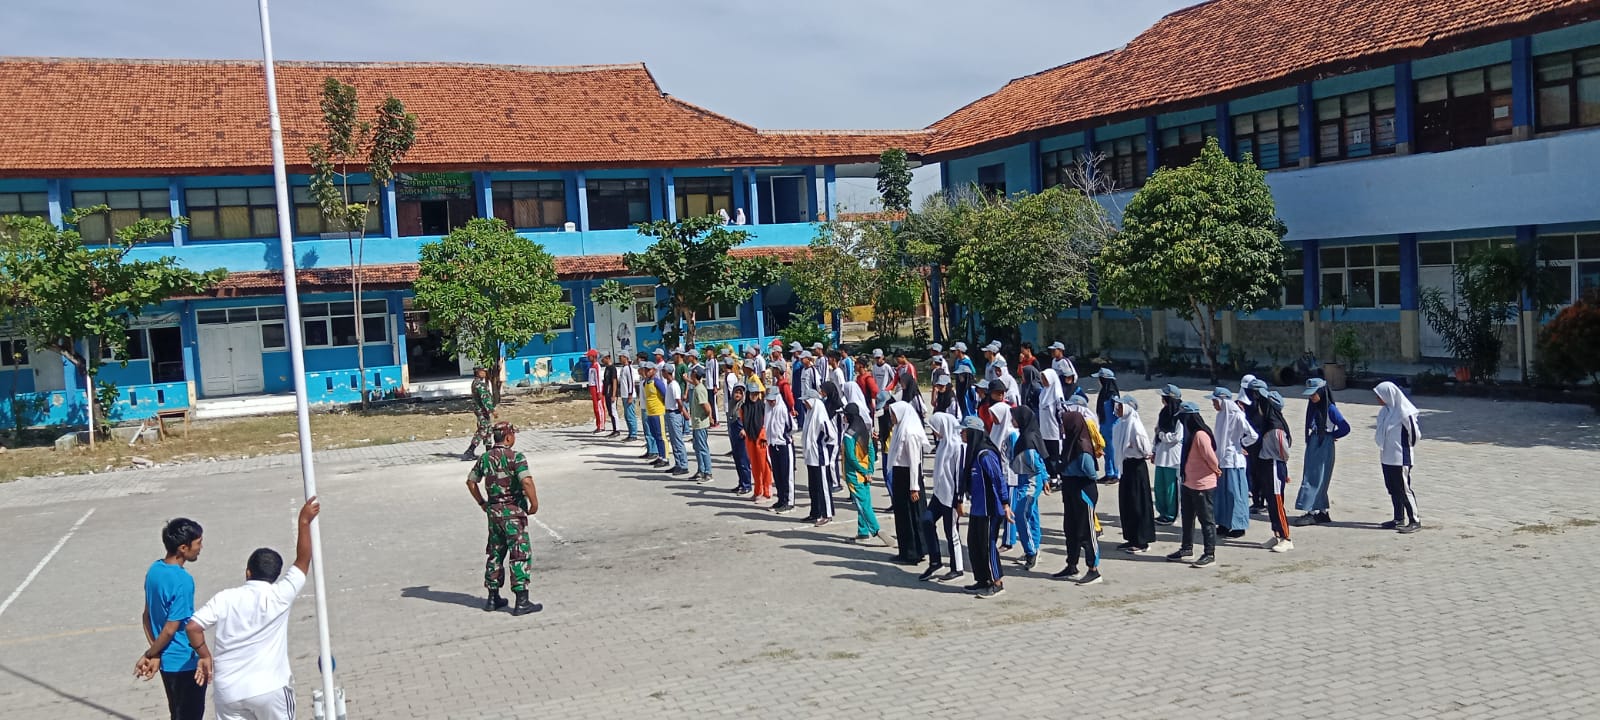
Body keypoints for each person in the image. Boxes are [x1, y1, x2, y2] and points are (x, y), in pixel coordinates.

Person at [184, 498, 322, 720]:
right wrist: (304, 521)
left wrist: (204, 655)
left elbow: (192, 626)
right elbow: (303, 560)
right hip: (271, 689)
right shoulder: (280, 594)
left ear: (248, 572)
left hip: (228, 691)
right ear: (276, 576)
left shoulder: (224, 598)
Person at [464, 422, 542, 615]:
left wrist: (482, 503)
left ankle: (492, 597)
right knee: (519, 554)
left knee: (496, 553)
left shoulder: (485, 458)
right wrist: (534, 503)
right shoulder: (516, 457)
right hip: (513, 512)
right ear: (508, 437)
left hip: (494, 513)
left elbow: (471, 482)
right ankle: (521, 601)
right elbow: (526, 480)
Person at [135, 517, 206, 720]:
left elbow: (146, 617)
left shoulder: (154, 570)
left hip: (167, 663)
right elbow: (170, 628)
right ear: (183, 548)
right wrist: (150, 653)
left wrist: (156, 653)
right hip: (185, 663)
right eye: (198, 543)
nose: (200, 548)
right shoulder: (183, 581)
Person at [1051, 393, 1105, 585]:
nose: (1062, 427)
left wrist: (1070, 470)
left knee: (1086, 531)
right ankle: (1071, 564)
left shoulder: (1082, 447)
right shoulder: (1069, 444)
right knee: (1070, 529)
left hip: (1084, 491)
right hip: (1070, 490)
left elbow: (1091, 473)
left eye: (1065, 424)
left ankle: (1093, 568)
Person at [957, 415, 1012, 598]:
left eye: (964, 431)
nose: (961, 434)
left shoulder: (985, 455)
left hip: (990, 509)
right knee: (974, 544)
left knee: (987, 546)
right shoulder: (973, 453)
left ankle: (996, 582)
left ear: (972, 432)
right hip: (977, 508)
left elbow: (998, 479)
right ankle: (982, 579)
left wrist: (1005, 503)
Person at [1168, 403, 1219, 568]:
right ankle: (1186, 548)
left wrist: (1216, 470)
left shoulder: (1200, 435)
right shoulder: (1190, 435)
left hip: (1203, 484)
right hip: (1188, 482)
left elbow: (1211, 458)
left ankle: (1209, 553)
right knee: (1188, 518)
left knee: (1206, 520)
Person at [1293, 377, 1350, 526]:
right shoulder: (1314, 407)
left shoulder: (1330, 409)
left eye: (1314, 394)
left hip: (1323, 444)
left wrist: (1331, 436)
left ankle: (1311, 511)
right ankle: (1322, 510)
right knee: (1313, 475)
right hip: (1314, 442)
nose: (1312, 397)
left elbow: (1345, 427)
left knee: (1315, 477)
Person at [922, 412, 967, 582]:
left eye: (936, 428)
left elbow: (958, 475)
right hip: (939, 494)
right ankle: (935, 561)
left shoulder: (958, 446)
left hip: (952, 497)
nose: (935, 432)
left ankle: (958, 568)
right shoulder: (943, 443)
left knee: (951, 532)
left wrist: (959, 500)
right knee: (926, 520)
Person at [1208, 387, 1258, 538]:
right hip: (1221, 459)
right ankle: (1223, 523)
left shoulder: (1237, 416)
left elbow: (1253, 435)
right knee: (1222, 494)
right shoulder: (1221, 416)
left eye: (1215, 401)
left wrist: (1241, 444)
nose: (1213, 404)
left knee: (1235, 494)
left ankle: (1238, 525)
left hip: (1234, 461)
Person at [885, 396, 930, 565]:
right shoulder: (899, 429)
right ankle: (905, 550)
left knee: (912, 516)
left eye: (893, 414)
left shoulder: (909, 433)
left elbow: (914, 462)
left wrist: (914, 487)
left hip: (909, 478)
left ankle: (913, 553)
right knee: (902, 516)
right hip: (900, 475)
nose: (892, 417)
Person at [1374, 381, 1423, 534]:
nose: (1378, 398)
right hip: (1386, 456)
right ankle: (1398, 518)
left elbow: (1415, 433)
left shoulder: (1404, 412)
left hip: (1400, 457)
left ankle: (1414, 519)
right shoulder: (1385, 411)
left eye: (1380, 395)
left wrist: (1407, 448)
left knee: (1403, 488)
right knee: (1392, 488)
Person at [1005, 406, 1048, 571]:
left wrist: (1042, 478)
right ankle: (1034, 547)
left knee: (1020, 514)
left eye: (1014, 418)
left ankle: (1031, 551)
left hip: (1029, 482)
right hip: (1025, 480)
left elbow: (1036, 462)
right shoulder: (1026, 435)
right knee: (1032, 515)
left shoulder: (1026, 440)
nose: (1011, 421)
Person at [1113, 395, 1156, 553]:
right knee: (1127, 503)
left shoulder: (1135, 425)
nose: (1116, 409)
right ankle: (1131, 537)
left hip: (1136, 467)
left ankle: (1142, 540)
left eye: (1119, 407)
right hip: (1126, 466)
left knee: (1138, 503)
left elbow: (1145, 448)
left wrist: (1134, 449)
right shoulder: (1122, 424)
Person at [841, 402, 885, 545]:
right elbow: (871, 450)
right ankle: (863, 531)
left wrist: (863, 471)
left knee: (862, 504)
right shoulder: (865, 429)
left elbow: (851, 457)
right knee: (866, 501)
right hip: (866, 472)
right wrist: (870, 470)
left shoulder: (849, 435)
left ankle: (876, 530)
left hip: (854, 474)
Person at [1259, 391, 1295, 552]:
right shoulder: (1267, 425)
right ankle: (1277, 535)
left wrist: (1283, 469)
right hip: (1266, 465)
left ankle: (1286, 537)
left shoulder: (1276, 429)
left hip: (1275, 466)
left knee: (1277, 502)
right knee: (1270, 502)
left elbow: (1284, 452)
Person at [800, 388, 838, 526]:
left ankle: (827, 514)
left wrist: (820, 444)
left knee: (823, 487)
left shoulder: (820, 415)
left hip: (820, 457)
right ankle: (815, 512)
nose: (804, 403)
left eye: (806, 401)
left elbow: (831, 435)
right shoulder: (810, 413)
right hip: (811, 457)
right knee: (813, 487)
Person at [1153, 384, 1186, 525]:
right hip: (1161, 455)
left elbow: (1176, 437)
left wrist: (1161, 434)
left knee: (1172, 488)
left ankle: (1172, 514)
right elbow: (1157, 431)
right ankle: (1162, 512)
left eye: (1164, 397)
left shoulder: (1181, 416)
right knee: (1159, 487)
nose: (1162, 400)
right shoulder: (1163, 413)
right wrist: (1154, 450)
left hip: (1174, 458)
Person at [764, 386, 797, 513]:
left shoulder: (782, 409)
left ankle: (789, 501)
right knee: (777, 474)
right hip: (772, 445)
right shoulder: (768, 409)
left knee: (786, 474)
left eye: (773, 400)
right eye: (769, 400)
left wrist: (783, 436)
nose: (771, 402)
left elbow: (792, 427)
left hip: (783, 445)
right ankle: (781, 499)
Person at [742, 381, 773, 502]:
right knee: (754, 467)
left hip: (761, 439)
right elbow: (743, 421)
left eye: (756, 393)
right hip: (750, 439)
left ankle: (767, 491)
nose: (754, 396)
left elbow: (766, 423)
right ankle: (758, 491)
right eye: (752, 393)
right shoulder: (744, 407)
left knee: (764, 466)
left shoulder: (762, 406)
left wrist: (764, 436)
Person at [1091, 368, 1121, 483]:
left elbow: (1118, 412)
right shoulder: (1104, 392)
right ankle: (1109, 473)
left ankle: (1115, 473)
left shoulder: (1113, 395)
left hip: (1112, 427)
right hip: (1104, 425)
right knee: (1106, 449)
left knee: (1112, 450)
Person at [1038, 368, 1066, 490]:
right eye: (1042, 378)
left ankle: (1060, 478)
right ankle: (1052, 477)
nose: (1043, 381)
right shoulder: (1043, 393)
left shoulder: (1057, 395)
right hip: (1044, 431)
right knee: (1047, 456)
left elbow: (1062, 414)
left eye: (1045, 379)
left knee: (1056, 456)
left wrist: (1062, 429)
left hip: (1055, 432)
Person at [726, 383, 755, 495]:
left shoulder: (744, 405)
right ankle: (741, 483)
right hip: (734, 434)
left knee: (743, 461)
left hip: (742, 435)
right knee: (737, 460)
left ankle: (747, 485)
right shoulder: (732, 404)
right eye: (736, 392)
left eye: (740, 392)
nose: (737, 394)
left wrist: (745, 429)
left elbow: (750, 420)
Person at [662, 365, 690, 477]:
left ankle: (683, 465)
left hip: (674, 414)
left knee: (678, 441)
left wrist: (684, 413)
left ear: (666, 372)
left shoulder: (674, 385)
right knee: (673, 441)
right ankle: (678, 463)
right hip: (669, 413)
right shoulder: (669, 384)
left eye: (663, 372)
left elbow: (678, 401)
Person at [463, 365, 495, 460]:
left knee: (488, 430)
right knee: (483, 430)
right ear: (478, 372)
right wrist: (492, 410)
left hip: (482, 411)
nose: (485, 373)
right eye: (483, 371)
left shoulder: (476, 383)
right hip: (482, 411)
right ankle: (470, 451)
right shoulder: (479, 384)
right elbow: (485, 399)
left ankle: (488, 452)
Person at [688, 368, 714, 483]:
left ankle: (708, 473)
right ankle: (701, 470)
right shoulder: (697, 388)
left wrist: (708, 416)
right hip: (696, 423)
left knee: (702, 448)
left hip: (700, 424)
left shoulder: (699, 389)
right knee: (697, 448)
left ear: (695, 375)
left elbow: (706, 406)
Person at [642, 364, 669, 468]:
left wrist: (663, 405)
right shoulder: (646, 382)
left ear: (654, 370)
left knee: (661, 436)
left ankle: (665, 457)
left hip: (658, 412)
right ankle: (660, 455)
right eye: (646, 370)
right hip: (650, 412)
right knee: (655, 435)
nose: (647, 372)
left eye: (649, 370)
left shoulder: (657, 382)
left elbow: (665, 394)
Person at [950, 342, 977, 416]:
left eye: (955, 350)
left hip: (966, 385)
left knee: (967, 403)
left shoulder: (967, 361)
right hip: (959, 384)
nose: (954, 352)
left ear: (959, 351)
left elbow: (973, 372)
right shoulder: (957, 361)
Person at [616, 353, 639, 441]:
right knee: (627, 415)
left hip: (629, 395)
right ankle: (630, 433)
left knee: (630, 415)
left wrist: (630, 395)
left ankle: (633, 434)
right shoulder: (623, 368)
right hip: (624, 395)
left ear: (625, 357)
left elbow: (631, 382)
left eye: (620, 357)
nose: (619, 359)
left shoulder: (628, 368)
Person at [586, 348, 606, 433]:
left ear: (593, 357)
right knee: (595, 407)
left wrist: (599, 391)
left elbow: (598, 379)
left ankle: (601, 426)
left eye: (589, 356)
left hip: (597, 388)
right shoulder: (592, 366)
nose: (587, 358)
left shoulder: (596, 366)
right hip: (592, 387)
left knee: (599, 407)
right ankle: (598, 425)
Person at [601, 353, 620, 436]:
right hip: (607, 393)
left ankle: (617, 430)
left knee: (613, 411)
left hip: (611, 393)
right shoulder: (607, 368)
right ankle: (614, 429)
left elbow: (614, 381)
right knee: (610, 412)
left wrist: (614, 394)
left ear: (607, 358)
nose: (602, 361)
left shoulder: (612, 368)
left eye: (603, 359)